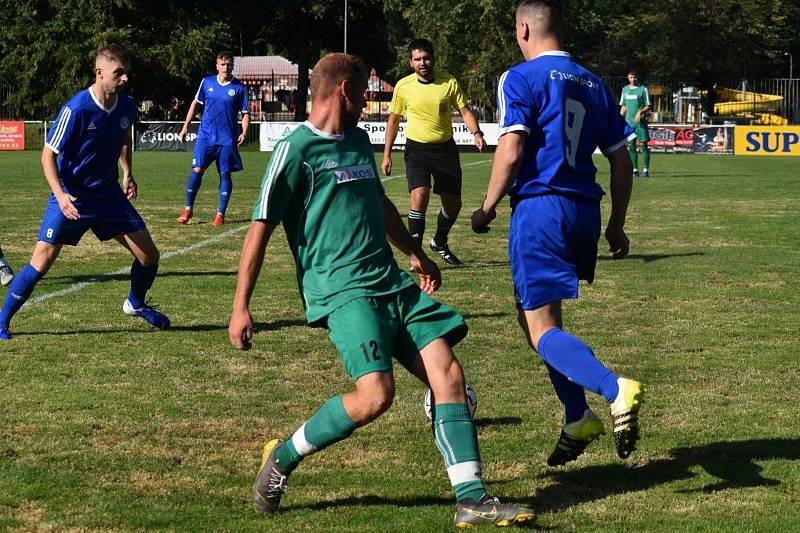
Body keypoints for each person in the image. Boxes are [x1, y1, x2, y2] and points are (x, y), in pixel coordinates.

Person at [228, 52, 534, 528]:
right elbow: (258, 230)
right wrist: (240, 307)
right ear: (344, 91)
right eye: (365, 92)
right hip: (343, 291)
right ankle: (284, 457)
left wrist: (414, 252)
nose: (372, 100)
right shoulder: (296, 150)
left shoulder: (355, 142)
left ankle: (472, 498)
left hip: (390, 281)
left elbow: (378, 201)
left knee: (448, 375)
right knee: (376, 395)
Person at [470, 0, 644, 467]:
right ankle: (575, 415)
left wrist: (485, 209)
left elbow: (511, 149)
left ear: (523, 28)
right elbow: (621, 160)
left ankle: (613, 388)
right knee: (534, 319)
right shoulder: (593, 82)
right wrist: (617, 223)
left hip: (541, 209)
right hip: (584, 210)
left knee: (541, 326)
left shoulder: (519, 77)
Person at [0, 45, 170, 341]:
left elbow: (125, 137)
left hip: (108, 197)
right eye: (119, 73)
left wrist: (128, 172)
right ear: (99, 73)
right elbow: (47, 156)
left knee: (149, 256)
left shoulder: (127, 106)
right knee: (40, 262)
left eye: (126, 72)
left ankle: (135, 303)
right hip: (72, 198)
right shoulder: (77, 109)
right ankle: (2, 322)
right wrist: (61, 195)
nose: (125, 78)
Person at [381, 38, 485, 267]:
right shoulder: (403, 86)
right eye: (417, 59)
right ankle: (415, 253)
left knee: (453, 204)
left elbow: (465, 110)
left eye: (426, 58)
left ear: (433, 59)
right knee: (419, 197)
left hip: (445, 150)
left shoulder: (449, 82)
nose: (422, 63)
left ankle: (439, 241)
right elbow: (394, 120)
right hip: (416, 149)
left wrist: (476, 133)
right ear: (411, 62)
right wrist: (387, 153)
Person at [176, 51, 250, 226]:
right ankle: (188, 209)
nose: (226, 67)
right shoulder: (207, 82)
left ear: (232, 66)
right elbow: (196, 104)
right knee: (197, 170)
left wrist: (244, 132)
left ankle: (220, 214)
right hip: (205, 137)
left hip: (227, 140)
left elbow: (245, 113)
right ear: (217, 66)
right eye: (223, 64)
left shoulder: (239, 88)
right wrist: (186, 125)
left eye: (229, 64)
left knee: (224, 174)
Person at [619, 70, 651, 177]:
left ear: (637, 78)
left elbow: (648, 105)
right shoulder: (625, 89)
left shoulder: (643, 89)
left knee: (643, 145)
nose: (633, 79)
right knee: (631, 146)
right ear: (628, 77)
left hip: (641, 122)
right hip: (629, 123)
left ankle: (646, 170)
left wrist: (640, 112)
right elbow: (624, 106)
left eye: (635, 77)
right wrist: (619, 118)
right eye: (631, 77)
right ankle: (635, 170)